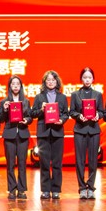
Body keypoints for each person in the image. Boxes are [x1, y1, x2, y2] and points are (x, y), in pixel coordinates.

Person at [30, 70, 69, 200]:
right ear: (44, 82)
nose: (51, 82)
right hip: (43, 132)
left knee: (57, 162)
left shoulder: (62, 97)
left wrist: (62, 120)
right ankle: (45, 190)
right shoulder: (39, 97)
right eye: (48, 80)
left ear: (57, 82)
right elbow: (33, 113)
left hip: (57, 132)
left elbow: (66, 114)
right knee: (44, 163)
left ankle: (56, 189)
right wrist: (41, 110)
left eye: (53, 80)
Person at [70, 67, 104, 200]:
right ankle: (82, 188)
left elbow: (102, 111)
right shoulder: (75, 94)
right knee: (80, 160)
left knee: (93, 160)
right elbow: (72, 112)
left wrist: (98, 115)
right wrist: (79, 116)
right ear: (81, 79)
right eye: (85, 77)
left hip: (94, 130)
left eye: (89, 77)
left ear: (93, 79)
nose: (87, 80)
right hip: (80, 130)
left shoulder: (98, 94)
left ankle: (91, 187)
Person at [0, 75, 32, 200]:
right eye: (13, 84)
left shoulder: (26, 101)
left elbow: (30, 117)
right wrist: (4, 109)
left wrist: (26, 120)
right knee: (10, 164)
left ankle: (22, 190)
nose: (15, 86)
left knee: (22, 163)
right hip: (9, 135)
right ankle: (12, 189)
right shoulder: (4, 102)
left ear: (21, 86)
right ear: (9, 86)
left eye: (18, 84)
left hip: (23, 134)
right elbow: (1, 119)